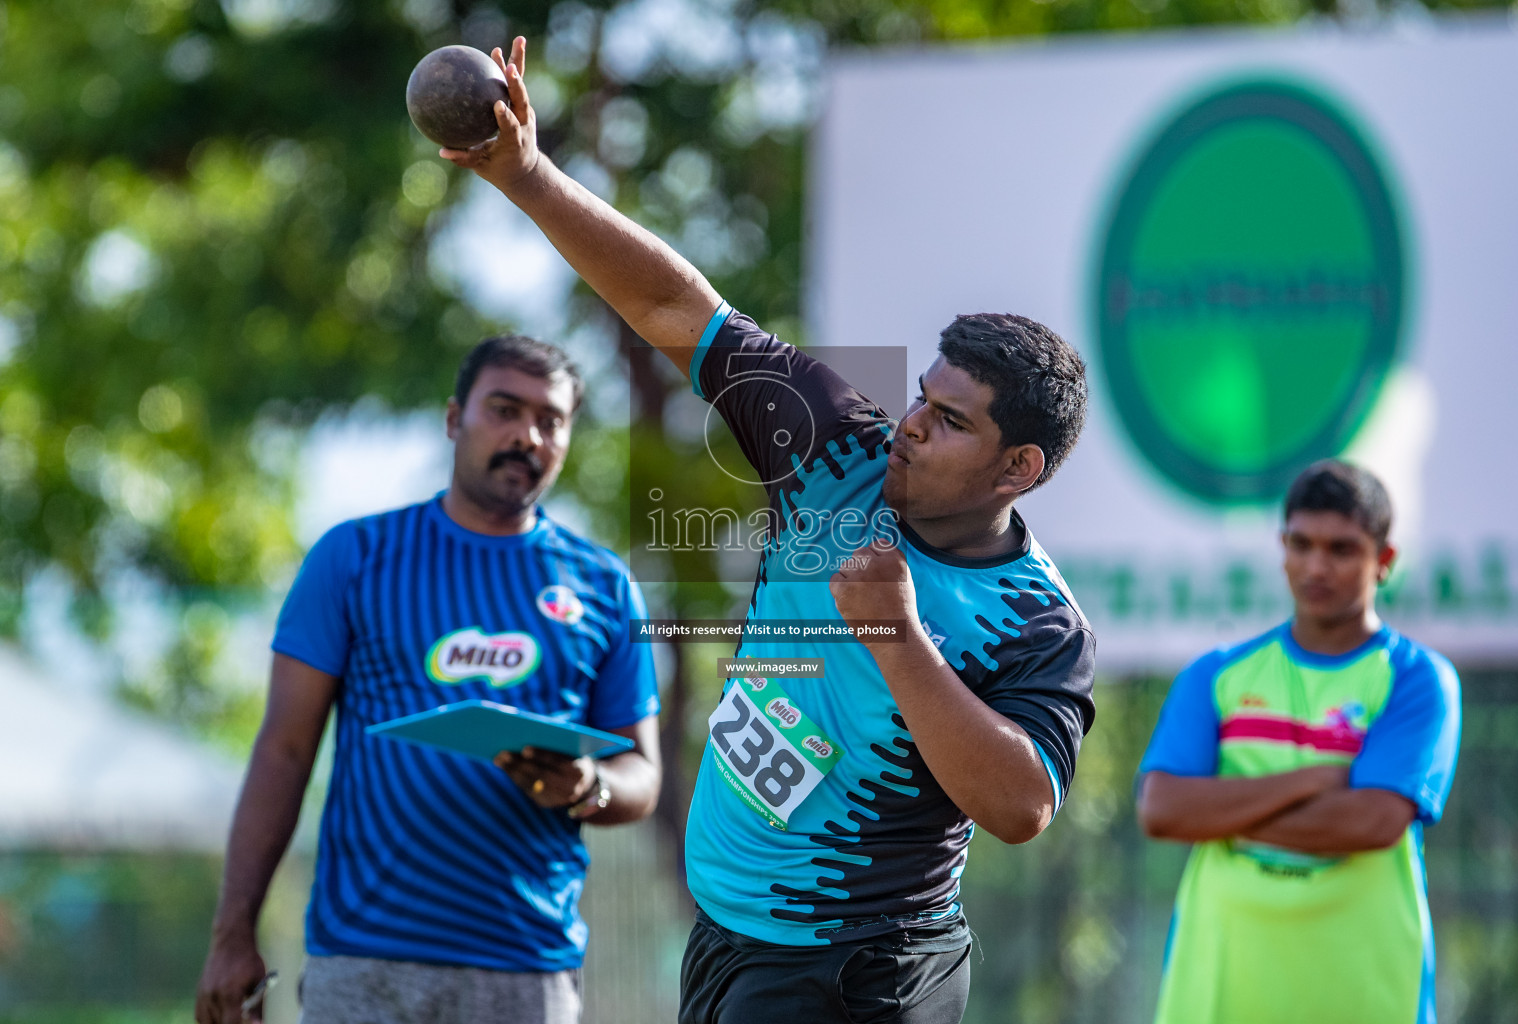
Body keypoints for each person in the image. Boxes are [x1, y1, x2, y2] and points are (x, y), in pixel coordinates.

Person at [439, 39, 1096, 1023]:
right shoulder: (839, 448)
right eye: (924, 397)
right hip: (730, 934)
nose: (913, 424)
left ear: (1020, 469)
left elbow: (1022, 806)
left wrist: (896, 636)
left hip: (864, 964)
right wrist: (526, 175)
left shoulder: (1038, 623)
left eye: (952, 421)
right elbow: (676, 307)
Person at [194, 336, 662, 1024]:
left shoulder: (606, 587)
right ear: (454, 419)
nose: (525, 435)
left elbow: (641, 773)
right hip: (364, 962)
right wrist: (233, 935)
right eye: (503, 409)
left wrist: (590, 787)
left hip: (529, 968)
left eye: (550, 420)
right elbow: (284, 752)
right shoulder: (354, 558)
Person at [1137, 459, 1462, 1024]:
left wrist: (1216, 815)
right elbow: (1162, 811)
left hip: (1366, 979)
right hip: (1224, 970)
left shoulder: (1418, 677)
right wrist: (1311, 781)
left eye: (1341, 549)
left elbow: (1372, 823)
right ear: (1282, 545)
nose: (1317, 566)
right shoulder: (1215, 675)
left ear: (1383, 561)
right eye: (1301, 544)